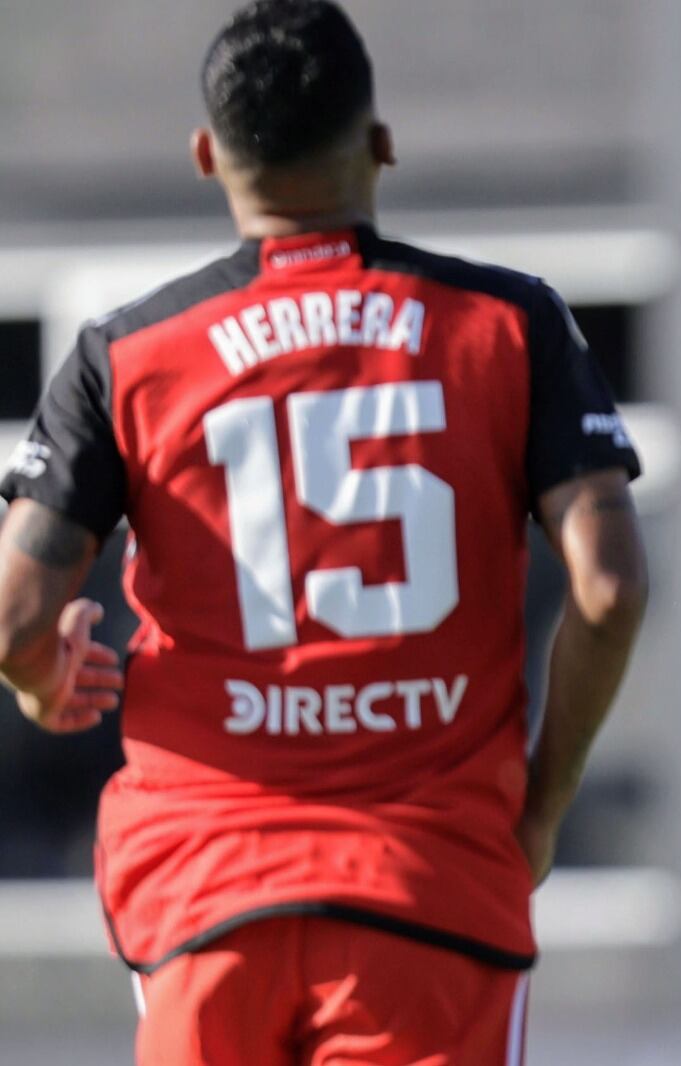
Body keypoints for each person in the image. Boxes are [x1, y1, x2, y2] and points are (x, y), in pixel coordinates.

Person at [0, 2, 646, 1063]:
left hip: (206, 891)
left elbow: (18, 614)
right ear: (381, 143)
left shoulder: (127, 354)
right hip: (431, 886)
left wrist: (37, 677)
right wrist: (542, 800)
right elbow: (610, 589)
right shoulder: (510, 324)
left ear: (208, 157)